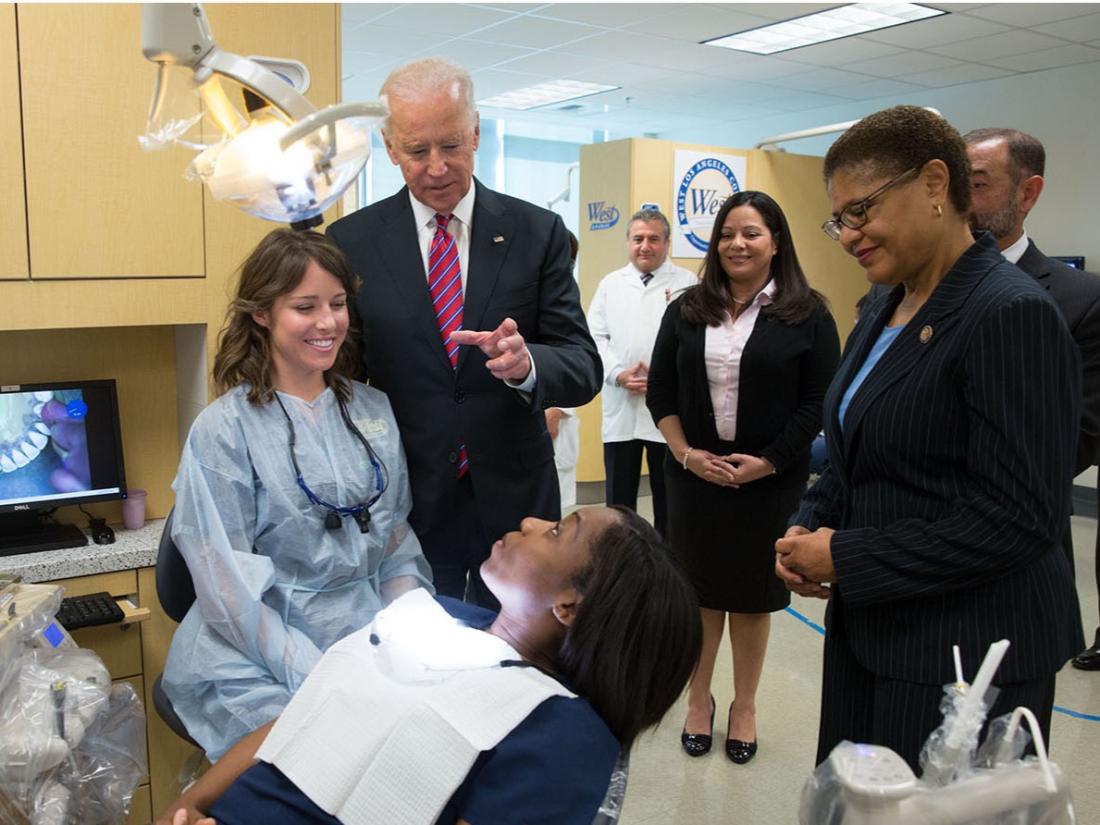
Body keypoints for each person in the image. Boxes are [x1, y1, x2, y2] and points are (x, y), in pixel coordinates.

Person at [776, 105, 1084, 772]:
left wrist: (849, 556)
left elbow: (1019, 518)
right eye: (839, 219)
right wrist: (809, 526)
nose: (847, 235)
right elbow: (857, 449)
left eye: (861, 211)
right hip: (876, 632)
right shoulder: (883, 307)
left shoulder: (1009, 313)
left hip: (966, 654)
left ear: (937, 184)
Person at [156, 507, 702, 825]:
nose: (533, 520)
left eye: (559, 531)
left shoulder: (562, 736)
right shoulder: (436, 614)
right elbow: (300, 721)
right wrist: (187, 805)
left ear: (569, 606)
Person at [327, 59, 601, 608]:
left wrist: (527, 367)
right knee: (422, 659)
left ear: (476, 131)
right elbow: (341, 374)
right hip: (408, 503)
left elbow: (582, 365)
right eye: (417, 150)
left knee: (520, 661)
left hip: (517, 505)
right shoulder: (350, 241)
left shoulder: (536, 232)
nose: (435, 167)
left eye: (451, 145)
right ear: (389, 146)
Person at [162, 229, 434, 761]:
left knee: (422, 739)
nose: (328, 322)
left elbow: (397, 547)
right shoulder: (224, 430)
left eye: (337, 304)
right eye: (304, 307)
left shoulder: (372, 411)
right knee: (326, 757)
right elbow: (226, 591)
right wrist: (314, 671)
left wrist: (408, 635)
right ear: (262, 313)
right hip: (253, 648)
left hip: (361, 632)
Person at [647, 191, 840, 764]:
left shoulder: (809, 313)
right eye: (728, 233)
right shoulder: (685, 308)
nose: (738, 243)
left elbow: (818, 401)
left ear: (776, 242)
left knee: (754, 597)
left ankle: (747, 705)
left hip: (770, 482)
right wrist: (685, 455)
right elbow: (661, 392)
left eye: (752, 233)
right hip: (693, 479)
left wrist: (770, 461)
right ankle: (699, 699)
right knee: (699, 594)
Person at [962, 127, 1100, 671]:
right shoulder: (899, 291)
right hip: (901, 577)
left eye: (976, 184)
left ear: (1028, 193)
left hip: (1013, 566)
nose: (954, 200)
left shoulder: (1078, 301)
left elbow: (1076, 441)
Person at [589, 209, 697, 537]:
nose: (645, 246)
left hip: (667, 409)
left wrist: (663, 376)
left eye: (653, 239)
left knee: (670, 497)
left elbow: (697, 341)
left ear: (666, 243)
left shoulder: (688, 284)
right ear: (628, 242)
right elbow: (594, 336)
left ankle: (668, 566)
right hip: (621, 406)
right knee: (619, 503)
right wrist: (619, 373)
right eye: (638, 239)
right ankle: (622, 566)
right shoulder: (610, 284)